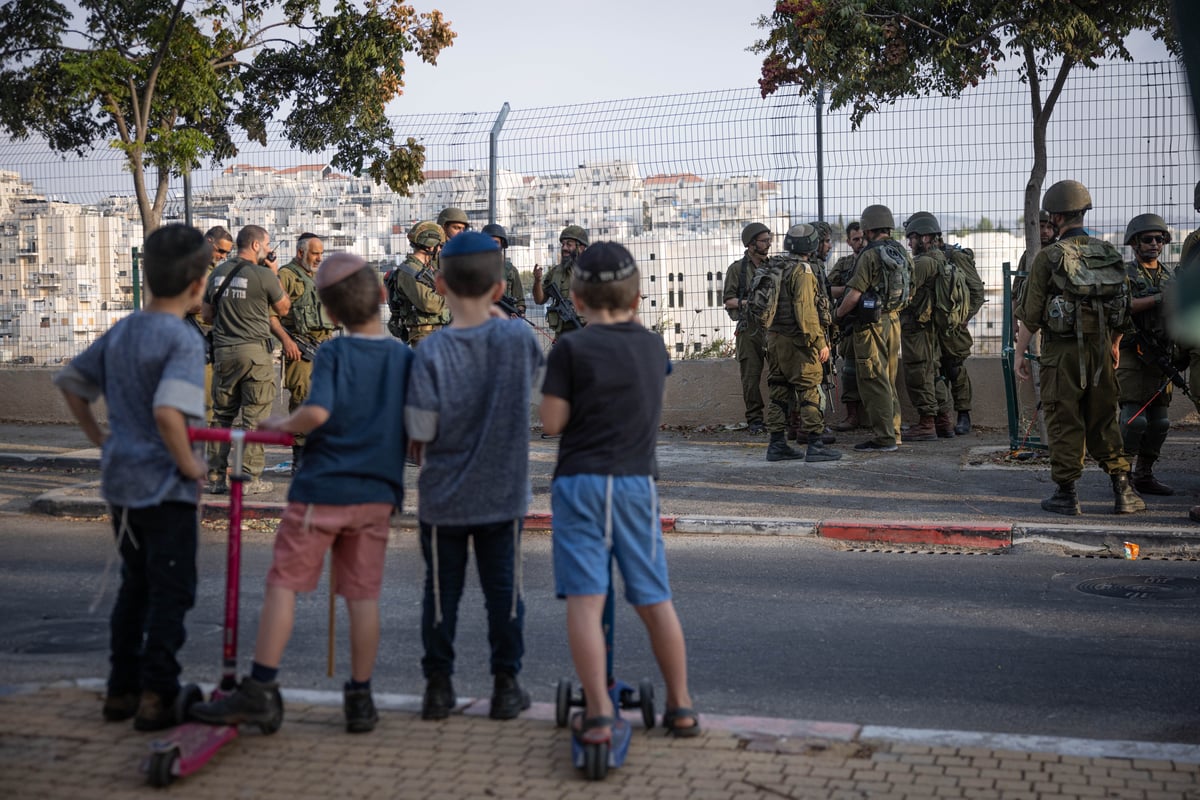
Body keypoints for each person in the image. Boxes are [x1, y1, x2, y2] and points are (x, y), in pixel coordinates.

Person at [190, 253, 413, 735]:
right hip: (377, 491)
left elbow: (317, 414)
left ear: (329, 313)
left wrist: (280, 423)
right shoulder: (404, 356)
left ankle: (262, 688)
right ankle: (360, 697)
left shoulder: (334, 353)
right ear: (381, 296)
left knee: (284, 583)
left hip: (324, 489)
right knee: (363, 595)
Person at [540, 241, 700, 742]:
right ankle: (681, 706)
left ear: (577, 300)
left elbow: (551, 423)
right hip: (635, 482)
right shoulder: (653, 347)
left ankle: (600, 711)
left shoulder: (570, 348)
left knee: (586, 602)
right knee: (654, 598)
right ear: (636, 300)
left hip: (580, 483)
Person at [53, 223, 209, 731]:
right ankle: (158, 694)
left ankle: (120, 689)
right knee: (172, 591)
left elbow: (74, 384)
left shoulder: (124, 329)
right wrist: (190, 464)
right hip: (166, 487)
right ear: (197, 285)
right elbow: (169, 413)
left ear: (147, 278)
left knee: (134, 586)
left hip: (121, 483)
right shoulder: (183, 339)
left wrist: (99, 438)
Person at [403, 231, 545, 721]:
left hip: (443, 498)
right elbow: (547, 395)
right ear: (501, 287)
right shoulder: (517, 338)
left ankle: (437, 689)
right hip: (502, 496)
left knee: (441, 596)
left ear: (439, 285)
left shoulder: (431, 351)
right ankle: (506, 687)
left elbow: (419, 431)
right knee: (504, 594)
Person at [1014, 180, 1145, 516]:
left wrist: (1019, 354)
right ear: (1083, 211)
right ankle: (1124, 491)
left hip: (1062, 354)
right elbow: (1123, 306)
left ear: (1055, 216)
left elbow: (1030, 314)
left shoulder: (1049, 257)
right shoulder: (1108, 252)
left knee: (1064, 418)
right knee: (1104, 418)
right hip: (1101, 349)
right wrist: (1114, 344)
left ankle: (1067, 494)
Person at [202, 225, 290, 495]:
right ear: (255, 246)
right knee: (254, 417)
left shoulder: (217, 273)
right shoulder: (263, 274)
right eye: (267, 244)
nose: (268, 249)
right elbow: (283, 308)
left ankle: (215, 478)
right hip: (254, 357)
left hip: (224, 354)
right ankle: (248, 479)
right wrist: (273, 274)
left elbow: (207, 316)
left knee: (221, 417)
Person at [762, 224, 843, 462]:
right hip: (798, 343)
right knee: (810, 389)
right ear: (810, 245)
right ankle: (815, 445)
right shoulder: (804, 271)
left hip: (775, 340)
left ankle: (777, 444)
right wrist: (820, 343)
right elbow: (805, 313)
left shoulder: (778, 266)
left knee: (778, 391)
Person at [834, 204, 910, 452]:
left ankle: (884, 438)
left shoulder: (869, 255)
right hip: (893, 320)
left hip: (870, 325)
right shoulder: (900, 251)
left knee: (873, 380)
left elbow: (854, 294)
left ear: (867, 228)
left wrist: (837, 315)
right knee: (888, 378)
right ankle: (894, 432)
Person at [1118, 213, 1177, 497]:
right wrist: (1158, 299)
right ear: (1134, 243)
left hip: (1162, 354)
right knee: (1134, 419)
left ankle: (1144, 474)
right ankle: (1122, 475)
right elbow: (1122, 305)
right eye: (1148, 239)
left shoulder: (1171, 276)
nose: (1155, 244)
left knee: (1160, 422)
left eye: (1160, 239)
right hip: (1132, 352)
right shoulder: (1125, 274)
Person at [271, 233, 338, 472]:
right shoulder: (286, 276)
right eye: (315, 253)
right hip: (300, 347)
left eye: (321, 253)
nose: (320, 258)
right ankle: (299, 460)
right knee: (302, 401)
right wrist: (287, 341)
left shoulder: (320, 277)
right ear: (301, 253)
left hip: (324, 345)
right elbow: (271, 315)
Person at [899, 214, 951, 441]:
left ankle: (927, 423)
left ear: (926, 237)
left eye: (913, 238)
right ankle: (943, 420)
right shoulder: (941, 257)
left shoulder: (923, 263)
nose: (909, 243)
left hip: (917, 326)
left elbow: (904, 292)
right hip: (930, 326)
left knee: (918, 372)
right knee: (934, 372)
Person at [722, 223, 772, 434]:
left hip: (773, 328)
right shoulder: (737, 269)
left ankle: (784, 418)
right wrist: (749, 303)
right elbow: (729, 301)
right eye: (764, 241)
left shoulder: (774, 266)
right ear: (751, 245)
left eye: (770, 240)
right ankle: (755, 420)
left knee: (780, 375)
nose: (768, 244)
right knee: (750, 378)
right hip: (749, 329)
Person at [186, 226, 234, 424]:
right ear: (208, 242)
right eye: (220, 251)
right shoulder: (191, 267)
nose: (223, 256)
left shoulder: (214, 270)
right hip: (195, 341)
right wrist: (211, 301)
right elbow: (185, 304)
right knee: (203, 405)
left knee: (217, 405)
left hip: (214, 340)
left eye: (227, 253)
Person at [386, 221, 448, 347]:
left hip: (435, 333)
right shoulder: (409, 271)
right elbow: (430, 303)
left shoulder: (424, 269)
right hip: (424, 336)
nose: (440, 249)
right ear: (430, 245)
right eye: (439, 245)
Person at [829, 221, 866, 431]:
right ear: (849, 241)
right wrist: (849, 292)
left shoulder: (874, 261)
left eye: (863, 238)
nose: (860, 243)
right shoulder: (844, 264)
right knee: (850, 372)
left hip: (872, 326)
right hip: (850, 326)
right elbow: (827, 288)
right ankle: (852, 416)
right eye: (856, 239)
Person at [532, 225, 589, 338]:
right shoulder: (555, 272)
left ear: (581, 248)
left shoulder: (592, 271)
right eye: (563, 244)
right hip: (561, 336)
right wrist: (537, 281)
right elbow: (539, 300)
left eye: (569, 244)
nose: (564, 248)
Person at [1013, 210, 1058, 340]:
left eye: (1049, 227)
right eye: (1041, 227)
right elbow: (1016, 291)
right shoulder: (1028, 256)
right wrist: (1014, 322)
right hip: (1030, 320)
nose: (1045, 231)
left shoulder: (1059, 253)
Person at [482, 223, 526, 316]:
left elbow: (520, 303)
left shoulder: (510, 271)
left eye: (495, 243)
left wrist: (518, 313)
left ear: (502, 245)